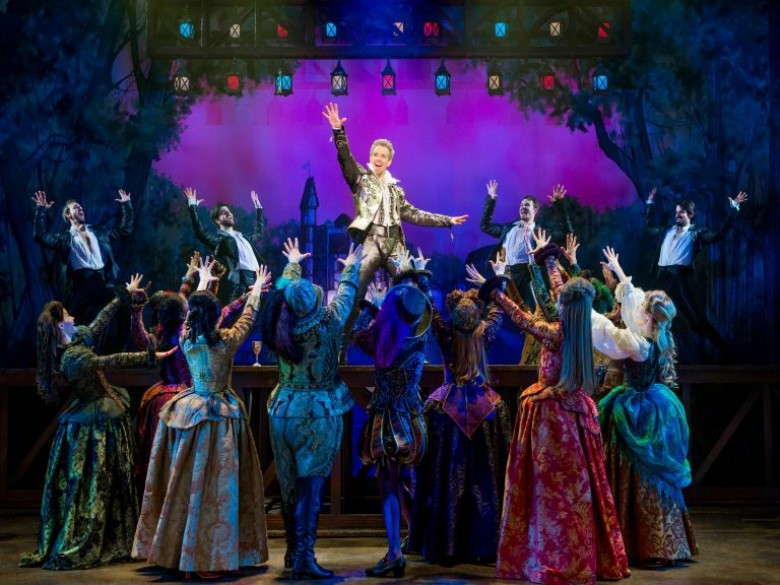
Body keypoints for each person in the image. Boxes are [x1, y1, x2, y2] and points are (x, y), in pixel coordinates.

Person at [474, 253, 629, 584]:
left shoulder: (556, 333)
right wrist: (548, 262)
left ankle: (551, 555)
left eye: (560, 298)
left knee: (549, 491)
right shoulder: (584, 326)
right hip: (577, 415)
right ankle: (581, 552)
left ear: (566, 307)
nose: (555, 298)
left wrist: (496, 293)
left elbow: (523, 320)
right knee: (578, 491)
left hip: (552, 420)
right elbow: (564, 293)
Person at [132, 267, 272, 578]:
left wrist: (205, 282)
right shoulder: (225, 341)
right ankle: (208, 555)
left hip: (190, 413)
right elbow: (247, 319)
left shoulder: (186, 338)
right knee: (216, 488)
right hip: (219, 418)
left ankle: (183, 551)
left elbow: (197, 312)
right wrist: (255, 291)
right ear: (215, 316)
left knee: (187, 486)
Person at [20, 283, 166, 570]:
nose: (74, 317)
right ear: (61, 326)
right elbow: (110, 361)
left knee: (107, 481)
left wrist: (122, 297)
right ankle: (90, 536)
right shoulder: (72, 357)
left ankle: (113, 530)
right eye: (68, 315)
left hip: (104, 414)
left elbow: (99, 324)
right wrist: (149, 356)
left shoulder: (76, 341)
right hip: (92, 426)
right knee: (93, 484)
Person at [322, 102, 468, 361]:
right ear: (370, 157)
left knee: (411, 291)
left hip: (393, 245)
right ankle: (340, 351)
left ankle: (413, 349)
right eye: (375, 154)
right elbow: (345, 159)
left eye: (383, 156)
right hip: (370, 241)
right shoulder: (361, 179)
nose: (378, 159)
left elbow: (416, 214)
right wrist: (338, 131)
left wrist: (447, 221)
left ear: (389, 161)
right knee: (354, 293)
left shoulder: (396, 191)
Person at [260, 237, 364, 580]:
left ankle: (293, 552)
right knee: (310, 487)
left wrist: (292, 264)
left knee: (288, 485)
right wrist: (350, 267)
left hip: (282, 408)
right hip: (317, 413)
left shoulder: (279, 322)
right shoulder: (326, 323)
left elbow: (284, 292)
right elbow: (346, 296)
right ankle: (304, 556)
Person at [597, 245, 698, 567]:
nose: (637, 310)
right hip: (655, 406)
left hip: (635, 411)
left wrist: (583, 311)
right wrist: (619, 271)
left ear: (649, 317)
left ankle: (644, 543)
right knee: (654, 474)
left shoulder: (639, 345)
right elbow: (632, 301)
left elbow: (607, 333)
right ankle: (663, 541)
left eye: (643, 309)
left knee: (638, 471)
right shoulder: (657, 337)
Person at [409, 257, 511, 566]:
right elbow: (497, 312)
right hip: (484, 408)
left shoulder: (445, 333)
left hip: (447, 409)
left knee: (445, 477)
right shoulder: (486, 334)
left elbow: (431, 309)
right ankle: (482, 542)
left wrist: (422, 276)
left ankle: (447, 541)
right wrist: (499, 279)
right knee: (484, 478)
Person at [352, 255, 432, 578]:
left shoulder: (380, 341)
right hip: (411, 417)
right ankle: (411, 538)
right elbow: (422, 301)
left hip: (388, 424)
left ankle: (394, 552)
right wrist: (419, 274)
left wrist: (371, 306)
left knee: (388, 483)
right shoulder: (421, 334)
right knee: (399, 481)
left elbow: (357, 332)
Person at [645, 187, 747, 354]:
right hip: (662, 277)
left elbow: (719, 234)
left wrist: (733, 209)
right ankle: (646, 356)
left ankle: (726, 351)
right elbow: (650, 227)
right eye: (676, 212)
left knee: (696, 322)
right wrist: (650, 203)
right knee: (644, 312)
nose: (677, 215)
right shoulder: (666, 231)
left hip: (678, 278)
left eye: (682, 212)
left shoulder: (696, 234)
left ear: (691, 215)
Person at [32, 189, 134, 324]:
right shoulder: (64, 239)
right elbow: (41, 236)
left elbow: (123, 229)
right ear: (68, 215)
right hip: (82, 285)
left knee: (125, 310)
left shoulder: (99, 232)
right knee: (69, 323)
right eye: (75, 207)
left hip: (101, 282)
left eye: (81, 207)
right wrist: (41, 210)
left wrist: (126, 204)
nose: (80, 208)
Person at [480, 181, 570, 311]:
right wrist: (491, 199)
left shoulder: (539, 231)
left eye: (527, 205)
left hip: (526, 276)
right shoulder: (508, 228)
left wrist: (559, 204)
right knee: (498, 310)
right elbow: (485, 226)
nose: (523, 207)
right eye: (521, 205)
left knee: (524, 313)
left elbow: (566, 232)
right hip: (504, 273)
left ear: (535, 210)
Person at [184, 186, 266, 304]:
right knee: (239, 314)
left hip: (258, 280)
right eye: (224, 213)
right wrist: (192, 207)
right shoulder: (220, 241)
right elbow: (201, 234)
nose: (229, 214)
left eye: (229, 211)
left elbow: (259, 233)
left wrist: (258, 208)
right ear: (217, 220)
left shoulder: (243, 238)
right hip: (241, 284)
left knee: (257, 313)